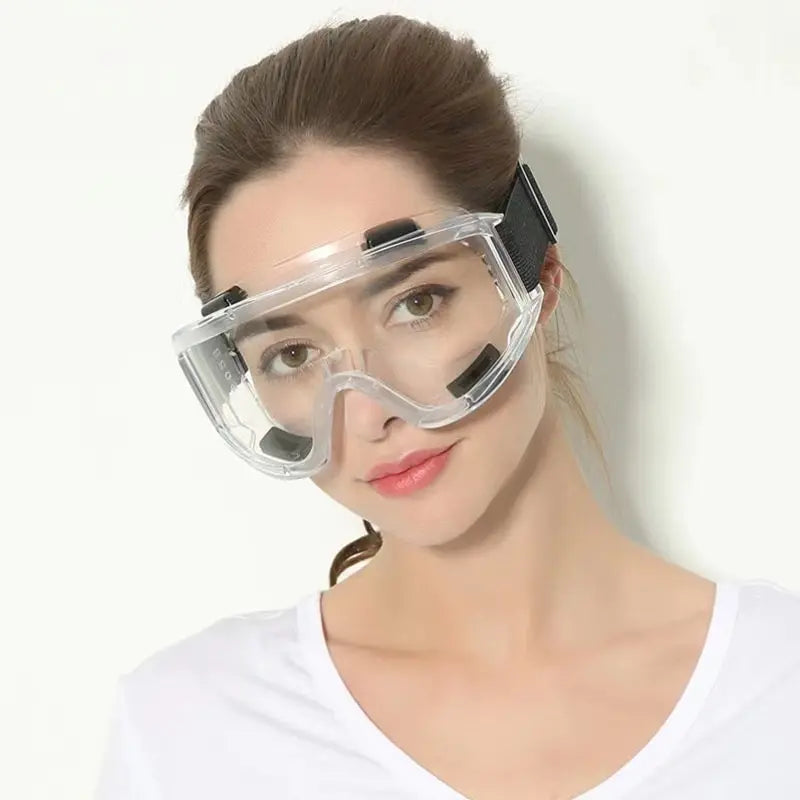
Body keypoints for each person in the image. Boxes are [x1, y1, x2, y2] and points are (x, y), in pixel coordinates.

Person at [95, 14, 800, 800]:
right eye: (291, 355)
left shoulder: (779, 694)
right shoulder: (189, 734)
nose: (368, 414)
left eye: (416, 303)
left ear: (535, 271)